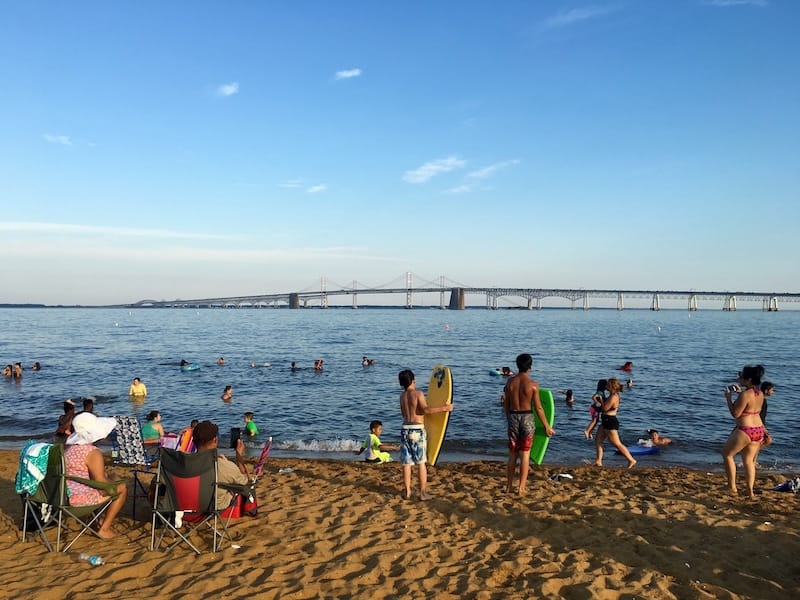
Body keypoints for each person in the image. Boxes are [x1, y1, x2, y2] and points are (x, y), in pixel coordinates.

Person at [64, 412, 128, 539]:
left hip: (67, 493)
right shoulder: (92, 452)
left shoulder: (70, 448)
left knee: (115, 479)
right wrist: (115, 483)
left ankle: (94, 520)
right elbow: (101, 483)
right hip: (79, 499)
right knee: (122, 488)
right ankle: (104, 528)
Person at [502, 353, 554, 495]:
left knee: (512, 454)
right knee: (525, 454)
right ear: (530, 366)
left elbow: (506, 404)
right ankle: (521, 488)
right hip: (527, 418)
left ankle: (508, 487)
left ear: (517, 365)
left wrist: (509, 418)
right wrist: (546, 426)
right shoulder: (533, 385)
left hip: (513, 416)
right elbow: (538, 408)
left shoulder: (510, 383)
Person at [398, 369, 454, 501]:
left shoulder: (402, 396)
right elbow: (426, 410)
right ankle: (423, 493)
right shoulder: (418, 394)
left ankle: (407, 492)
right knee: (421, 463)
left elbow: (404, 414)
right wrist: (445, 408)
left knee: (407, 464)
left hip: (405, 429)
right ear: (413, 381)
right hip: (417, 430)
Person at [721, 365, 766, 498]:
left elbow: (736, 413)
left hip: (745, 430)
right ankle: (750, 491)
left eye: (741, 377)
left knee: (727, 454)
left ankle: (732, 487)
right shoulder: (760, 393)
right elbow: (750, 406)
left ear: (749, 379)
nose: (739, 378)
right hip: (758, 429)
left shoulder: (745, 394)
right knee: (748, 461)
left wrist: (728, 398)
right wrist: (740, 394)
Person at [192, 420, 250, 509]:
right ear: (215, 440)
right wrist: (239, 455)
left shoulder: (183, 462)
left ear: (193, 441)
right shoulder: (223, 466)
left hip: (184, 505)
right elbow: (245, 482)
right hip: (212, 506)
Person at [594, 378, 636, 468]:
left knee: (616, 443)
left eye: (608, 385)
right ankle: (598, 461)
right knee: (598, 440)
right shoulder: (611, 395)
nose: (606, 387)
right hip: (605, 421)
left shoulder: (614, 396)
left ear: (611, 386)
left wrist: (600, 400)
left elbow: (605, 408)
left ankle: (631, 460)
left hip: (610, 421)